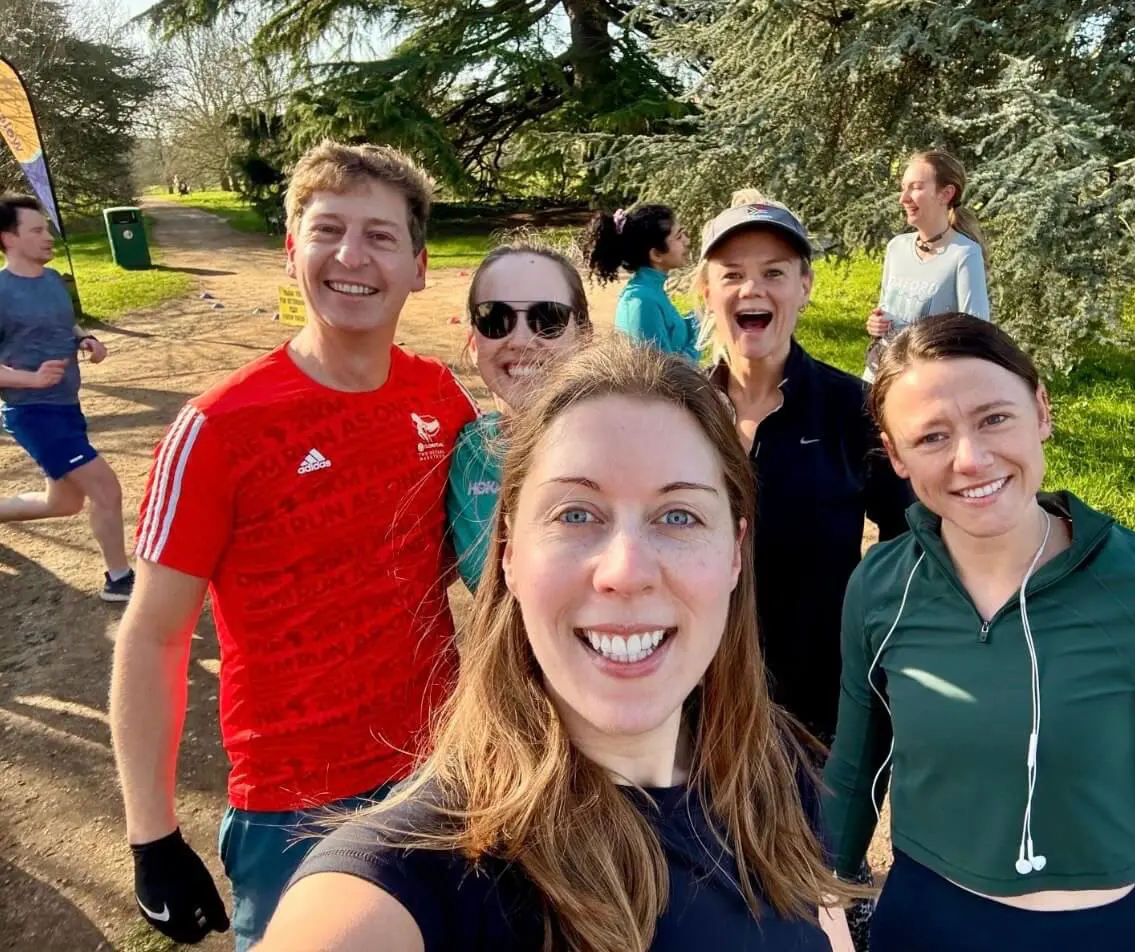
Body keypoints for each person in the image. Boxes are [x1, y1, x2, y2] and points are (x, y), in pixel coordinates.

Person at [256, 336, 864, 952]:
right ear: (508, 552)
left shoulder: (775, 771)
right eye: (576, 514)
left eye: (679, 515)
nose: (626, 571)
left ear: (735, 552)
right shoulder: (412, 875)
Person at [108, 141, 479, 951]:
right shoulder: (217, 428)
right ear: (290, 252)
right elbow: (155, 634)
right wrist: (152, 836)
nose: (352, 256)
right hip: (294, 806)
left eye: (380, 236)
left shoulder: (440, 398)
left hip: (442, 770)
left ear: (418, 267)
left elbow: (475, 555)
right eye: (328, 231)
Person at [824, 313, 1135, 952]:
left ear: (1041, 409)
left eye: (994, 418)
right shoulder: (881, 586)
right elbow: (855, 774)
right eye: (931, 436)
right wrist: (817, 905)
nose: (970, 460)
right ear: (896, 455)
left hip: (1088, 933)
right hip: (918, 921)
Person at [695, 196, 912, 949]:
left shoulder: (853, 410)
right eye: (733, 273)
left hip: (816, 715)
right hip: (689, 705)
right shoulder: (677, 411)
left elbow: (912, 537)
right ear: (706, 290)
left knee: (806, 890)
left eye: (774, 272)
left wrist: (879, 652)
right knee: (706, 890)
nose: (752, 289)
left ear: (805, 287)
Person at [0, 194, 134, 602]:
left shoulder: (53, 280)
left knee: (63, 502)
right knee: (106, 489)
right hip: (32, 412)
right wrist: (31, 379)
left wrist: (85, 338)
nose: (48, 237)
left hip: (66, 406)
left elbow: (65, 324)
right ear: (8, 238)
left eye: (46, 229)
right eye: (36, 230)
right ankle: (119, 580)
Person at [446, 245, 592, 593]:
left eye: (549, 318)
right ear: (474, 343)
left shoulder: (629, 446)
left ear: (584, 336)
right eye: (495, 319)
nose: (522, 340)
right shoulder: (468, 453)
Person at [864, 150, 991, 381]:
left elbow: (976, 334)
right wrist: (876, 324)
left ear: (946, 194)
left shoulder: (964, 254)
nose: (903, 198)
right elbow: (885, 309)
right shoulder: (896, 247)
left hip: (925, 385)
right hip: (878, 377)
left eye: (916, 187)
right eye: (904, 188)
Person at [583, 203, 698, 360]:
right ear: (656, 254)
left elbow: (674, 336)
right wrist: (698, 338)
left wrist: (702, 316)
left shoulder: (650, 291)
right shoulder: (640, 302)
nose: (687, 241)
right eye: (678, 237)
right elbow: (663, 371)